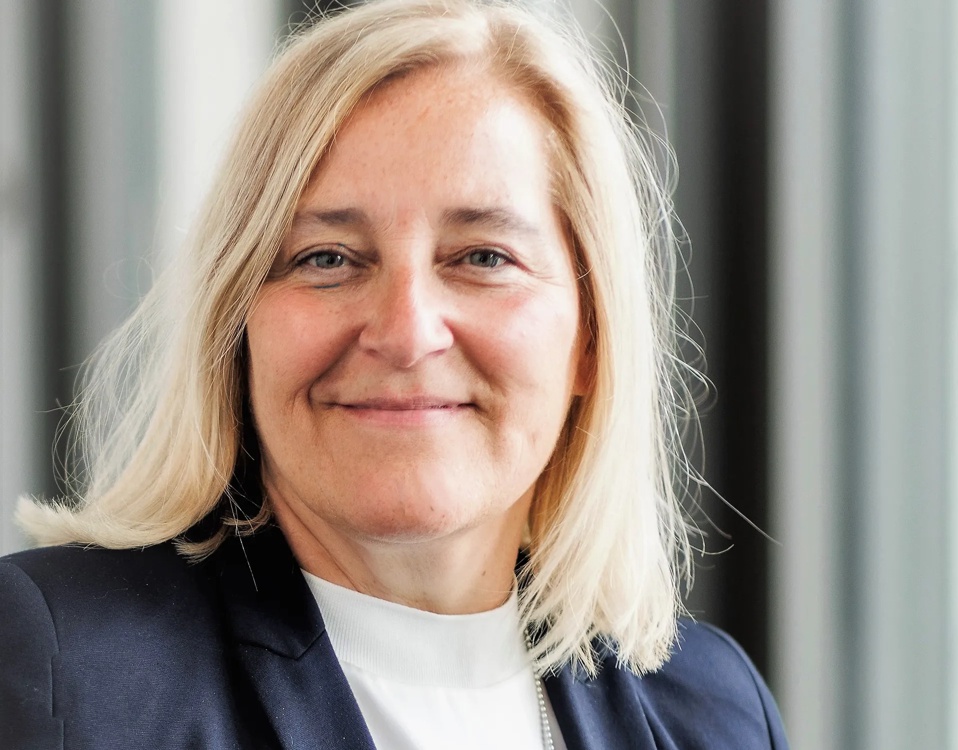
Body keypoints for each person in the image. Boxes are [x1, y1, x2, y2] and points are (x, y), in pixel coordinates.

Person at [0, 0, 789, 747]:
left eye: (484, 257)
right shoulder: (63, 666)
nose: (406, 333)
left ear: (591, 336)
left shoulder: (712, 712)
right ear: (237, 327)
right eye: (327, 259)